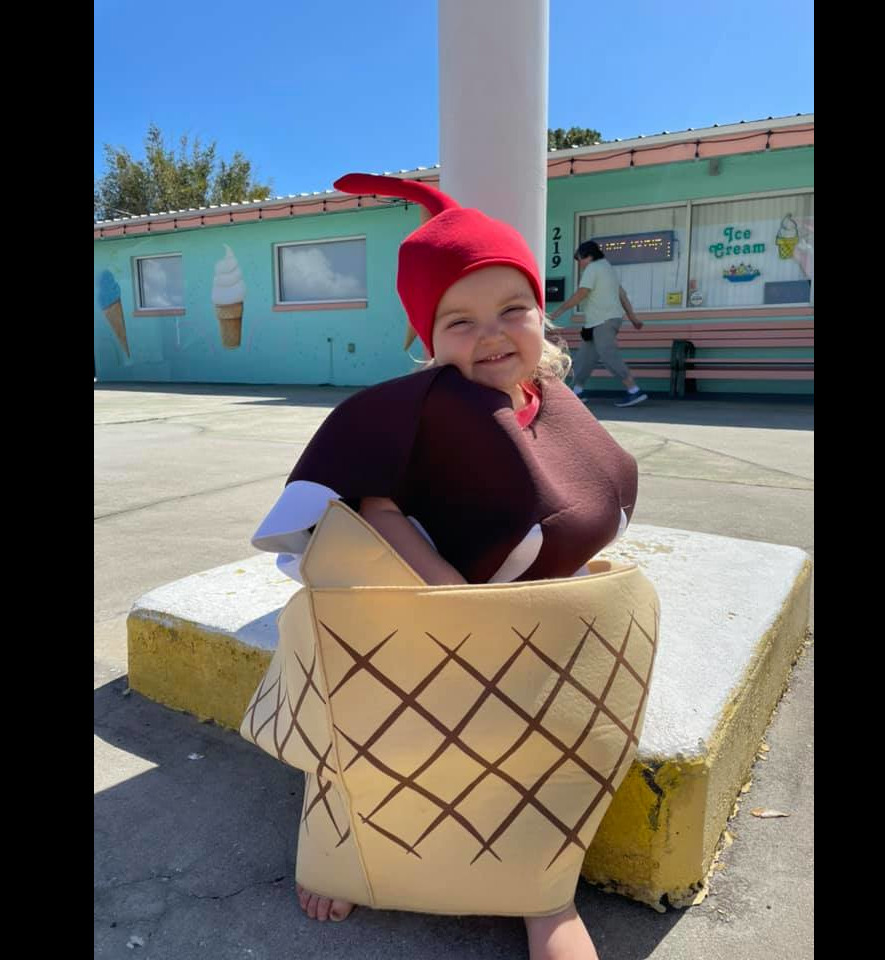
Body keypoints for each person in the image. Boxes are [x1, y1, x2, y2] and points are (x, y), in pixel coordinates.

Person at [249, 173, 640, 960]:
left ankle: (543, 891)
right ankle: (338, 834)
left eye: (512, 310)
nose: (490, 335)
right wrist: (444, 588)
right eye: (458, 321)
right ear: (427, 337)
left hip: (524, 623)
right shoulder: (411, 408)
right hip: (411, 618)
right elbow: (372, 506)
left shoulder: (553, 399)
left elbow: (584, 494)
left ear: (543, 315)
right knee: (364, 728)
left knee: (544, 743)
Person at [547, 241, 648, 407]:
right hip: (600, 322)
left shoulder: (593, 268)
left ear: (589, 256)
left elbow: (581, 293)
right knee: (585, 358)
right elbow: (622, 296)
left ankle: (633, 390)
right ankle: (577, 391)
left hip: (603, 321)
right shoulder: (607, 268)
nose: (578, 263)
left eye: (579, 259)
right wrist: (633, 318)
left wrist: (558, 311)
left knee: (609, 355)